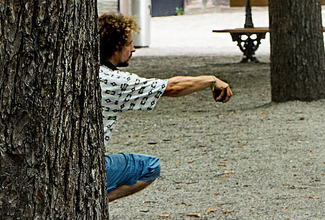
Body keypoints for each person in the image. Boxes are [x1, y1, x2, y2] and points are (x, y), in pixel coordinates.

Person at [99, 12, 232, 202]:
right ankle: (95, 206)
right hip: (90, 164)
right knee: (150, 167)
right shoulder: (116, 81)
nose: (133, 48)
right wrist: (211, 80)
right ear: (116, 48)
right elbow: (171, 87)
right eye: (129, 43)